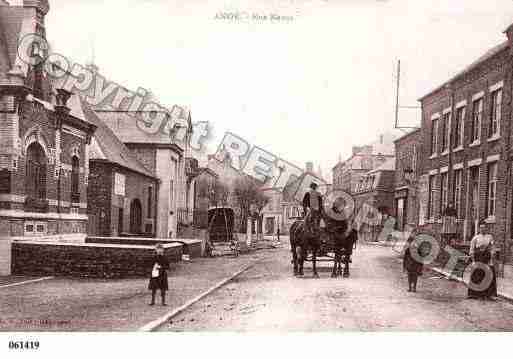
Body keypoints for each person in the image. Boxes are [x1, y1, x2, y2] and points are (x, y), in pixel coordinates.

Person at [468, 222, 497, 300]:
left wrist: (491, 259)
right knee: (477, 275)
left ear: (486, 228)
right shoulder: (475, 238)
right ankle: (475, 294)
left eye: (484, 227)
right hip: (478, 259)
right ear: (479, 228)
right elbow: (471, 250)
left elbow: (492, 248)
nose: (482, 229)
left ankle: (489, 294)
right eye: (481, 227)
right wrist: (473, 261)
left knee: (490, 273)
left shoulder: (490, 237)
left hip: (486, 259)